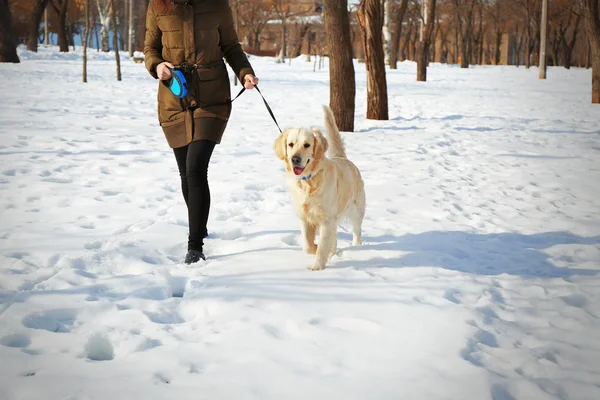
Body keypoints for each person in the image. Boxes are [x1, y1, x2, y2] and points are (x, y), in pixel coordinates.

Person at [143, 0, 258, 264]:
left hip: (212, 96)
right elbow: (150, 48)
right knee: (185, 171)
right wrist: (157, 65)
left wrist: (245, 73)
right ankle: (200, 224)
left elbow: (230, 45)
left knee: (196, 167)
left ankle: (195, 245)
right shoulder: (158, 5)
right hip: (175, 95)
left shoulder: (217, 4)